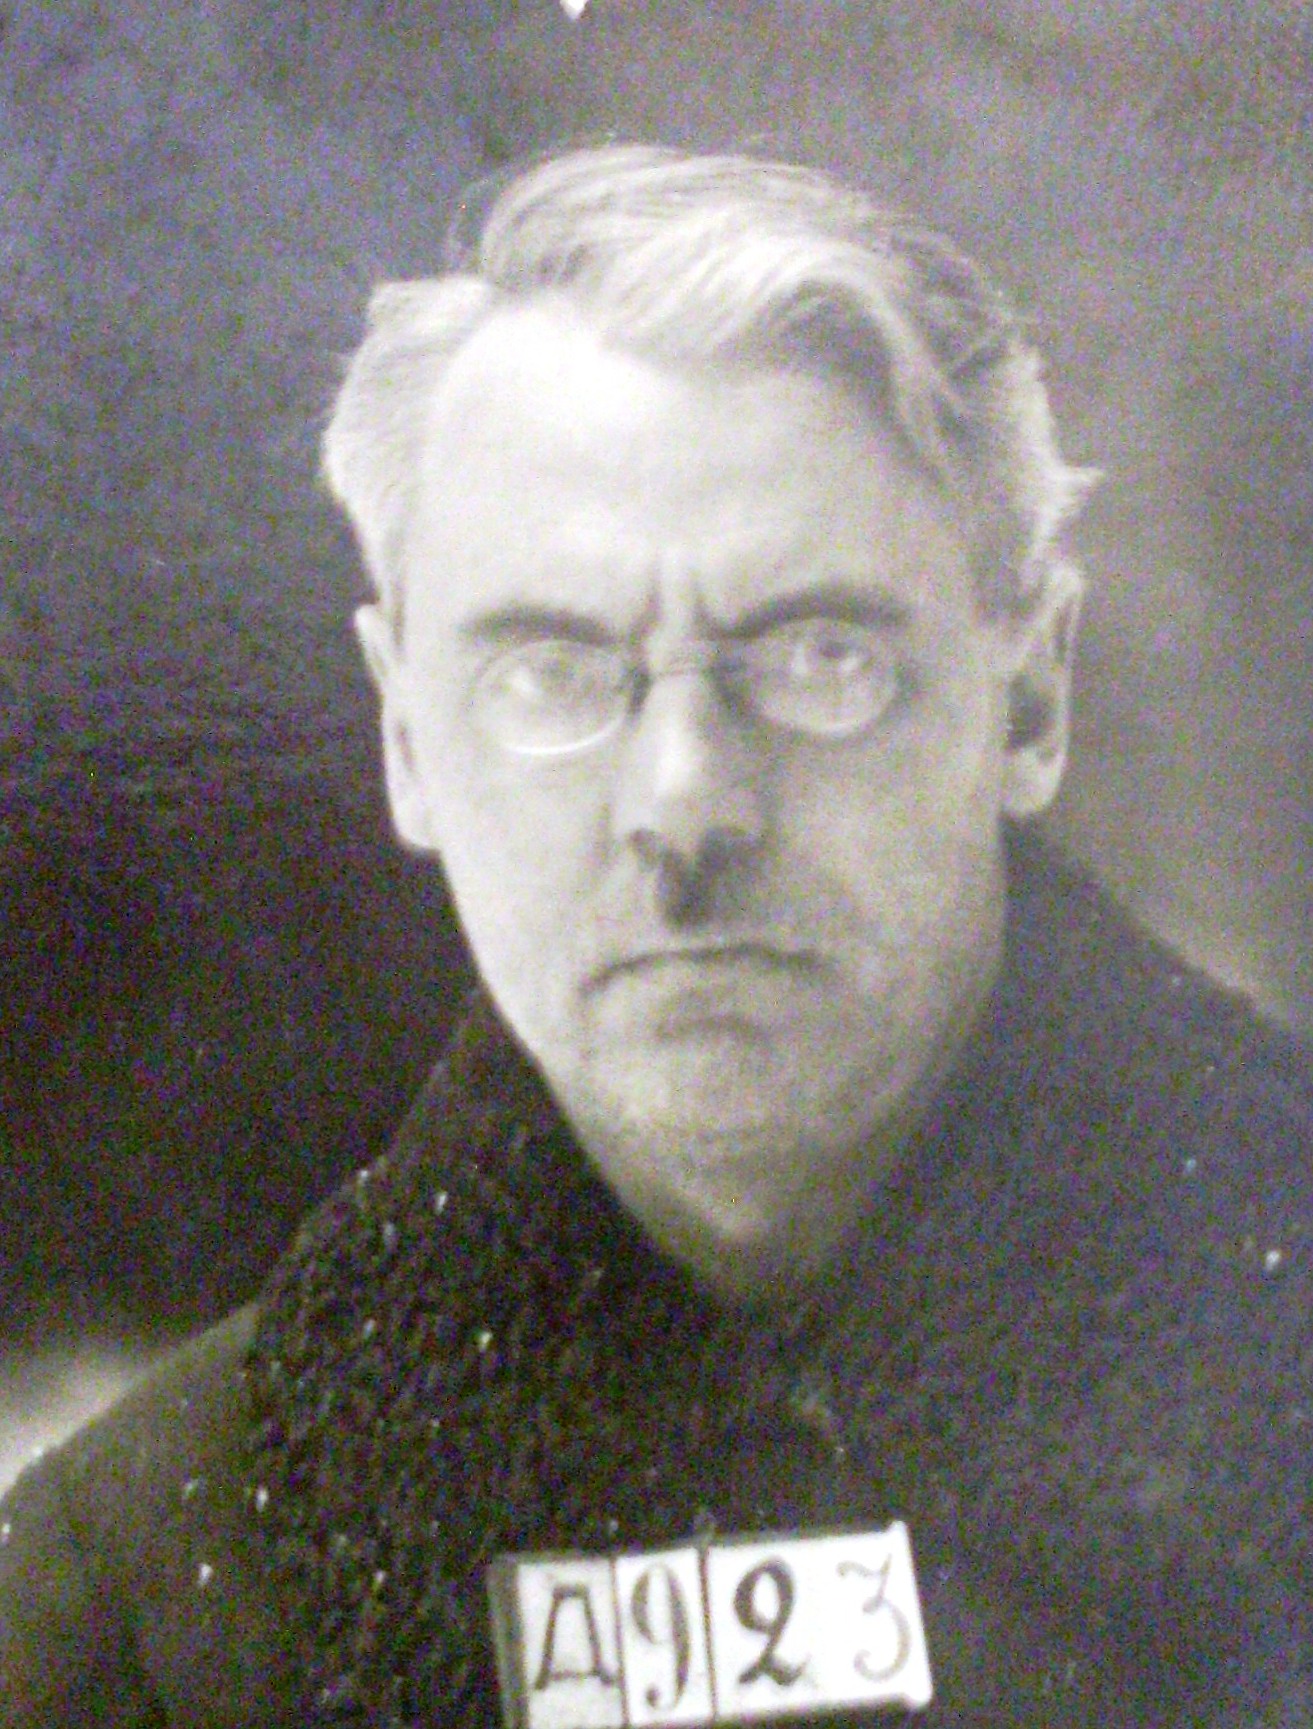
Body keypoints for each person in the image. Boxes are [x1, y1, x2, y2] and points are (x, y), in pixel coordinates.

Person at [0, 146, 1308, 1729]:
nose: (682, 804)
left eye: (817, 657)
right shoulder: (127, 1602)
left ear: (1027, 697)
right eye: (548, 672)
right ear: (405, 738)